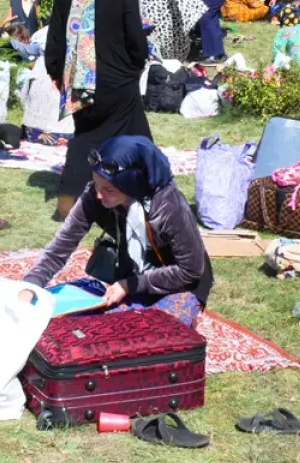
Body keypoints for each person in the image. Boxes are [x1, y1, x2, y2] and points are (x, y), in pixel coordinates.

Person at [21, 136, 214, 328]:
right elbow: (62, 245)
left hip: (179, 283)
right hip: (129, 273)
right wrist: (31, 284)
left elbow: (191, 269)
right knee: (78, 326)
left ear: (133, 185)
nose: (98, 194)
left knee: (150, 337)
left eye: (108, 190)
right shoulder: (95, 195)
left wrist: (130, 284)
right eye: (96, 184)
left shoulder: (169, 206)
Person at [45, 0, 152, 218]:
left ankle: (72, 201)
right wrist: (139, 61)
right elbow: (134, 34)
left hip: (80, 78)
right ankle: (144, 194)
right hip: (117, 79)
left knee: (86, 135)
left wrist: (55, 71)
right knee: (134, 136)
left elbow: (55, 32)